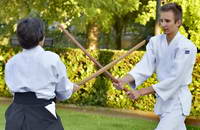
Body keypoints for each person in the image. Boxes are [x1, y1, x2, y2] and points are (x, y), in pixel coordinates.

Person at [114, 3, 197, 130]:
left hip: (177, 103)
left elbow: (174, 79)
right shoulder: (155, 42)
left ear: (178, 22)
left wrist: (140, 92)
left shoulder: (187, 47)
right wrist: (123, 80)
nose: (163, 24)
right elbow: (144, 67)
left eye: (167, 21)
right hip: (163, 103)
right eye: (161, 20)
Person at [4, 17, 79, 130]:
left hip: (16, 116)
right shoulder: (52, 59)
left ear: (19, 39)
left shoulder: (11, 62)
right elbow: (62, 91)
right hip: (42, 117)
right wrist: (71, 88)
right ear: (42, 37)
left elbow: (14, 91)